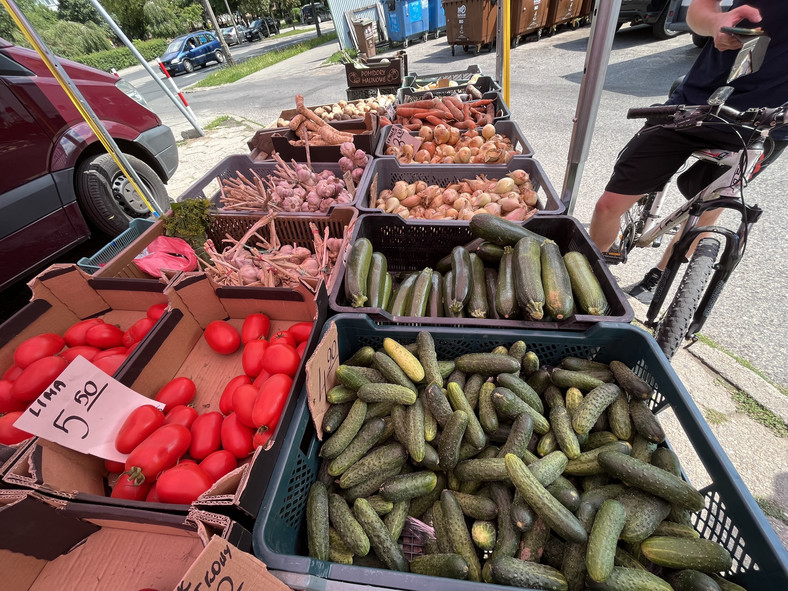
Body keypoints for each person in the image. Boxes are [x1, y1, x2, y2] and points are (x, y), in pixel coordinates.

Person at [589, 0, 788, 303]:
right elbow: (698, 11)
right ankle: (592, 273)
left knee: (704, 212)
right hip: (697, 105)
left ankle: (658, 276)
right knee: (608, 205)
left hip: (768, 126)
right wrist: (714, 24)